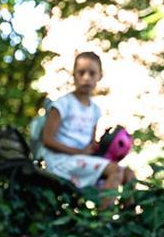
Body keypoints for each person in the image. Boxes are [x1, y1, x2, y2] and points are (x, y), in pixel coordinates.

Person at [40, 51, 136, 206]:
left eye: (92, 73)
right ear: (74, 75)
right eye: (81, 73)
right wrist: (79, 152)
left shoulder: (95, 110)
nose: (86, 78)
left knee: (128, 173)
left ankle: (129, 221)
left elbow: (90, 146)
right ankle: (102, 223)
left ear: (99, 76)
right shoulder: (62, 105)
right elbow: (47, 140)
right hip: (61, 162)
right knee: (115, 171)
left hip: (82, 160)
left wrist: (109, 147)